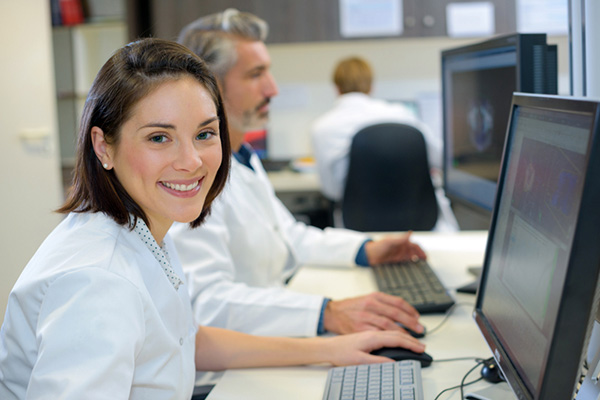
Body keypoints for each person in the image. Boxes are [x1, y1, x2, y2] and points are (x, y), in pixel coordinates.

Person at [0, 38, 425, 399]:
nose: (191, 161)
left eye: (204, 134)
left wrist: (329, 350)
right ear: (103, 146)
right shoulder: (99, 281)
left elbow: (187, 341)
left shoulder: (143, 231)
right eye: (159, 138)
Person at [172, 8, 428, 341]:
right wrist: (326, 313)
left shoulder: (242, 158)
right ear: (210, 87)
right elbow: (207, 304)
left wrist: (365, 250)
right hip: (230, 370)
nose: (273, 89)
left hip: (273, 334)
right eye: (255, 74)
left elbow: (289, 237)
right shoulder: (191, 177)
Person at [311, 56, 457, 231]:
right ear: (371, 86)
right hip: (421, 226)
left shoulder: (322, 127)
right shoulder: (401, 114)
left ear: (336, 88)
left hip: (358, 229)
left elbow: (331, 191)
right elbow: (441, 159)